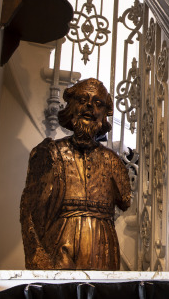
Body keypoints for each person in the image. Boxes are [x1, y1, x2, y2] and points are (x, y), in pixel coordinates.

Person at [20, 78, 131, 270]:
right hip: (61, 246)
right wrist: (37, 257)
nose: (90, 106)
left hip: (102, 247)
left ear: (104, 113)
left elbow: (125, 200)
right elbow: (30, 212)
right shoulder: (51, 153)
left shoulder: (113, 161)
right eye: (82, 100)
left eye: (98, 103)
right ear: (71, 107)